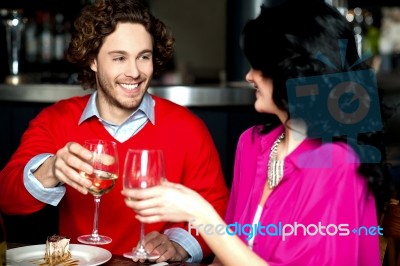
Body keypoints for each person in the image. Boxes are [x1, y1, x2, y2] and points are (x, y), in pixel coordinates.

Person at [122, 0, 390, 265]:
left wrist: (200, 213)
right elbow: (227, 255)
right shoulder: (252, 143)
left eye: (258, 66)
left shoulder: (338, 163)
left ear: (292, 73)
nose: (249, 76)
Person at [0, 0, 230, 263]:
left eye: (144, 56)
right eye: (119, 58)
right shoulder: (56, 119)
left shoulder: (188, 127)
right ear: (92, 60)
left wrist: (179, 244)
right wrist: (50, 170)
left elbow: (218, 211)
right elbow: (7, 198)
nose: (134, 72)